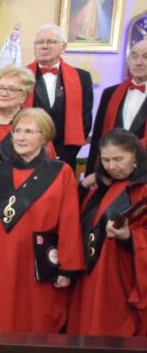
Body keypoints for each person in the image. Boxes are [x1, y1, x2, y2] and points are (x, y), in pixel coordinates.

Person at [0, 108, 83, 333]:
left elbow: (69, 221)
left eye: (29, 131)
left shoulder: (61, 172)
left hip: (35, 264)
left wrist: (67, 267)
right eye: (17, 131)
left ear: (45, 136)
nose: (20, 137)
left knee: (32, 322)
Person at [69, 129, 147, 336]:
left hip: (120, 275)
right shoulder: (100, 187)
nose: (111, 166)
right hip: (91, 273)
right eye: (106, 160)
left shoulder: (143, 189)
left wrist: (129, 237)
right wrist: (82, 187)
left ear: (135, 156)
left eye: (118, 159)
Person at [24, 24, 93, 172]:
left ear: (63, 47)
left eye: (51, 42)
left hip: (66, 155)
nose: (44, 46)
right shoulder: (20, 76)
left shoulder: (82, 77)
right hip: (27, 153)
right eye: (40, 42)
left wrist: (65, 153)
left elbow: (85, 120)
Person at [86, 40, 147, 175]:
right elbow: (98, 136)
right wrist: (92, 173)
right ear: (128, 61)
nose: (138, 62)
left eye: (145, 57)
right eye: (134, 56)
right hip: (110, 172)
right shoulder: (110, 93)